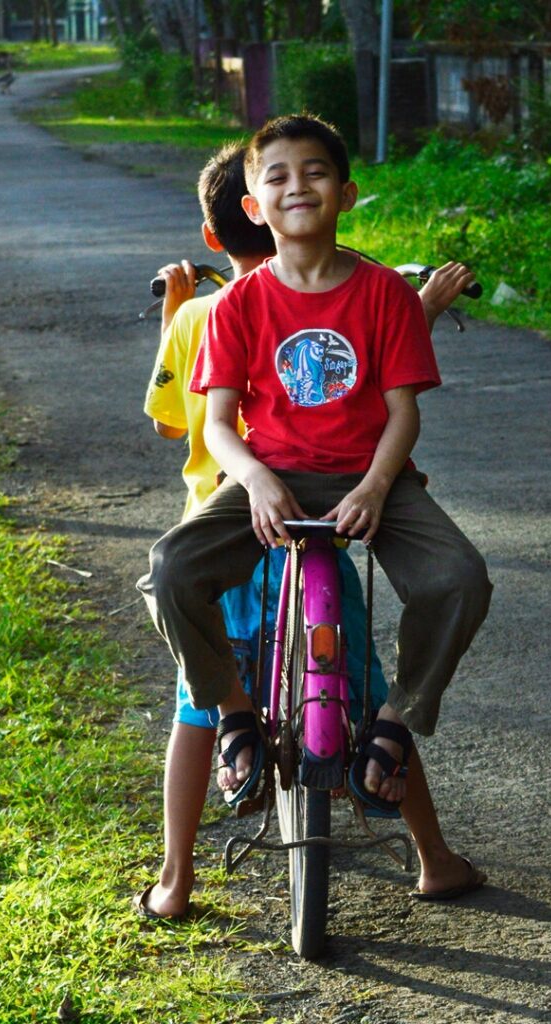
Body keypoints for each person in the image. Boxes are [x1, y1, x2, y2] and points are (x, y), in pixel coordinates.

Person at [135, 136, 487, 921]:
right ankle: (232, 714)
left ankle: (393, 722)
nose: (300, 187)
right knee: (170, 571)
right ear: (256, 207)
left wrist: (374, 484)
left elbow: (403, 411)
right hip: (267, 478)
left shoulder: (385, 295)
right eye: (279, 177)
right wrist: (255, 481)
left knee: (461, 579)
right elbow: (218, 423)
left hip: (372, 477)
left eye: (317, 172)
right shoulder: (235, 305)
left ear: (348, 194)